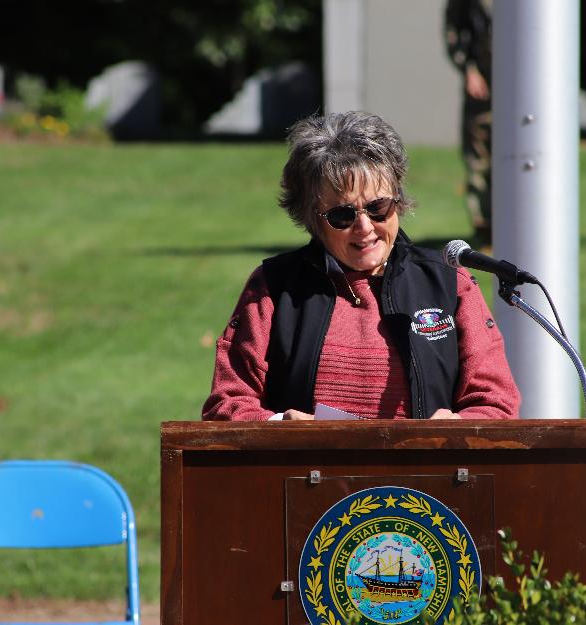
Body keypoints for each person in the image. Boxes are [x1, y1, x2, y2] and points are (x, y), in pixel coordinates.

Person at [202, 111, 520, 421]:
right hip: (304, 473)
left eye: (378, 207)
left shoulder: (449, 282)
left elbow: (496, 402)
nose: (365, 227)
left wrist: (457, 427)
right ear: (314, 219)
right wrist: (281, 427)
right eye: (343, 215)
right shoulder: (273, 286)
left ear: (397, 200)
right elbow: (227, 403)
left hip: (424, 473)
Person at [444, 0, 492, 249]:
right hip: (482, 90)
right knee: (479, 162)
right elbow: (454, 30)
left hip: (521, 91)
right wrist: (469, 70)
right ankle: (485, 230)